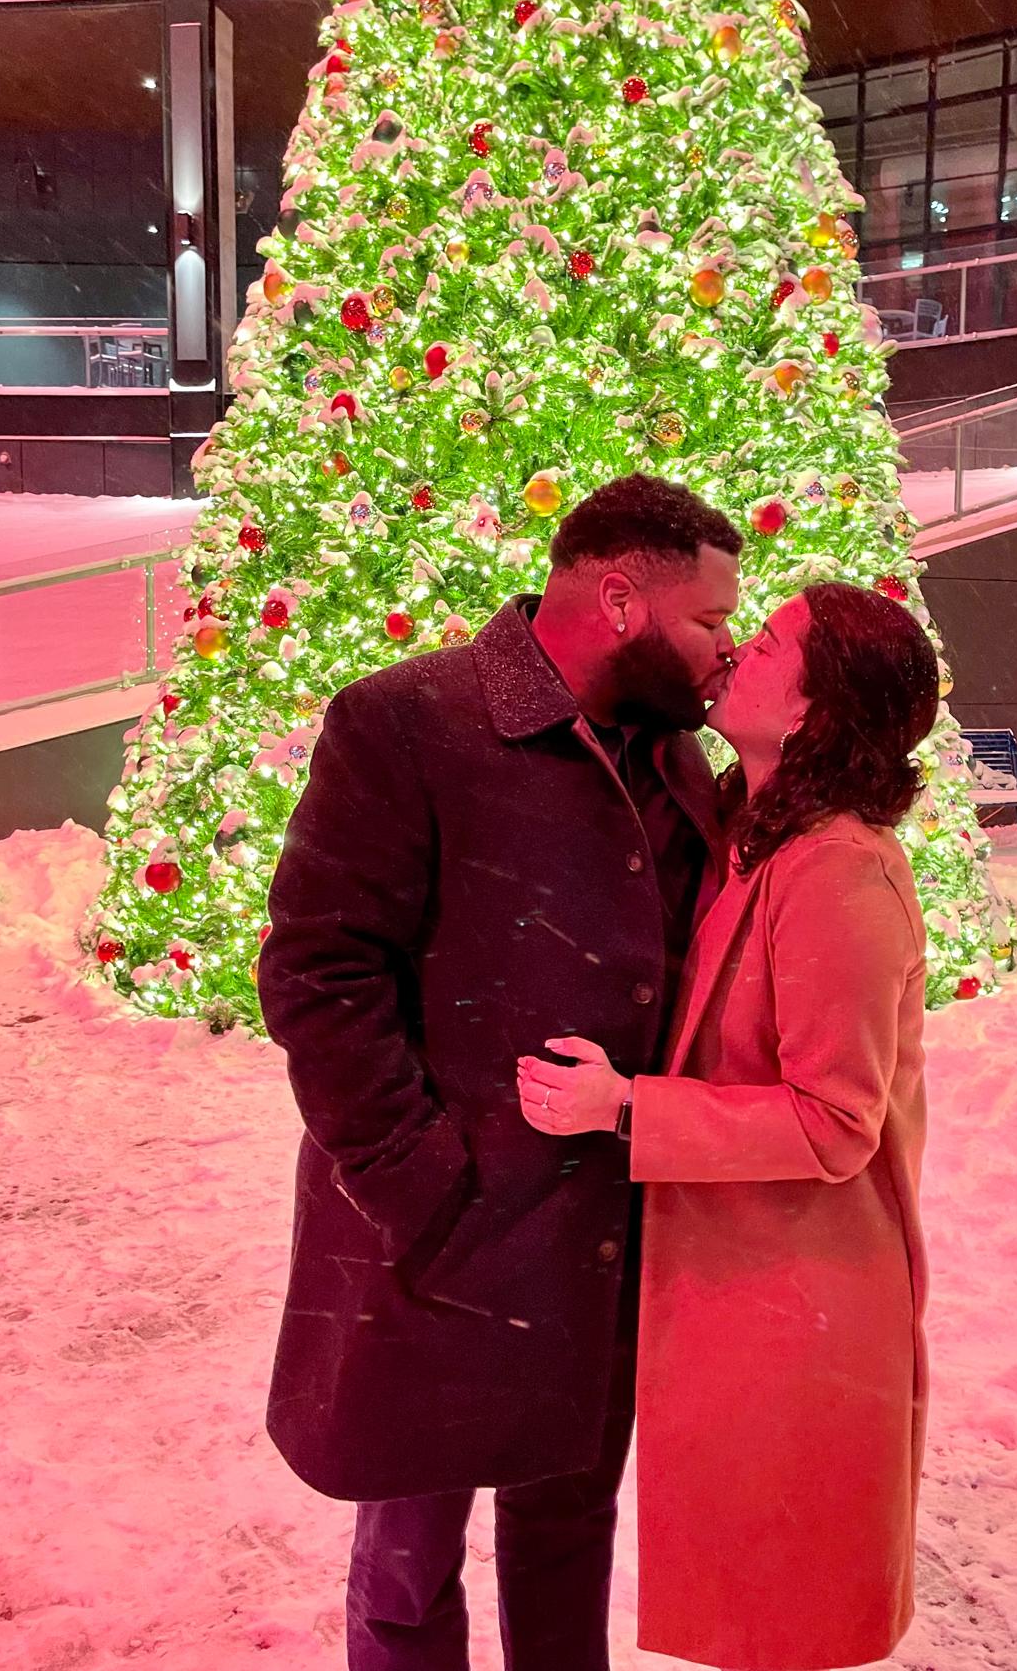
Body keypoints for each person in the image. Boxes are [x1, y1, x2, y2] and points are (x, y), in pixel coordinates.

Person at [258, 473, 742, 1671]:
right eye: (710, 620)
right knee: (410, 1555)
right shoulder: (406, 721)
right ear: (622, 602)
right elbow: (319, 969)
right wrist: (416, 1177)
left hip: (599, 1234)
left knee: (568, 1532)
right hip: (439, 1239)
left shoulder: (674, 756)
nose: (725, 650)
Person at [518, 581, 939, 1671]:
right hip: (749, 1283)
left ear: (812, 710)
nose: (739, 649)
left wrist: (626, 1105)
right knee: (750, 1600)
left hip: (802, 1298)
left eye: (771, 643)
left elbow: (835, 1121)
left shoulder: (838, 868)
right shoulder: (749, 833)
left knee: (782, 1610)